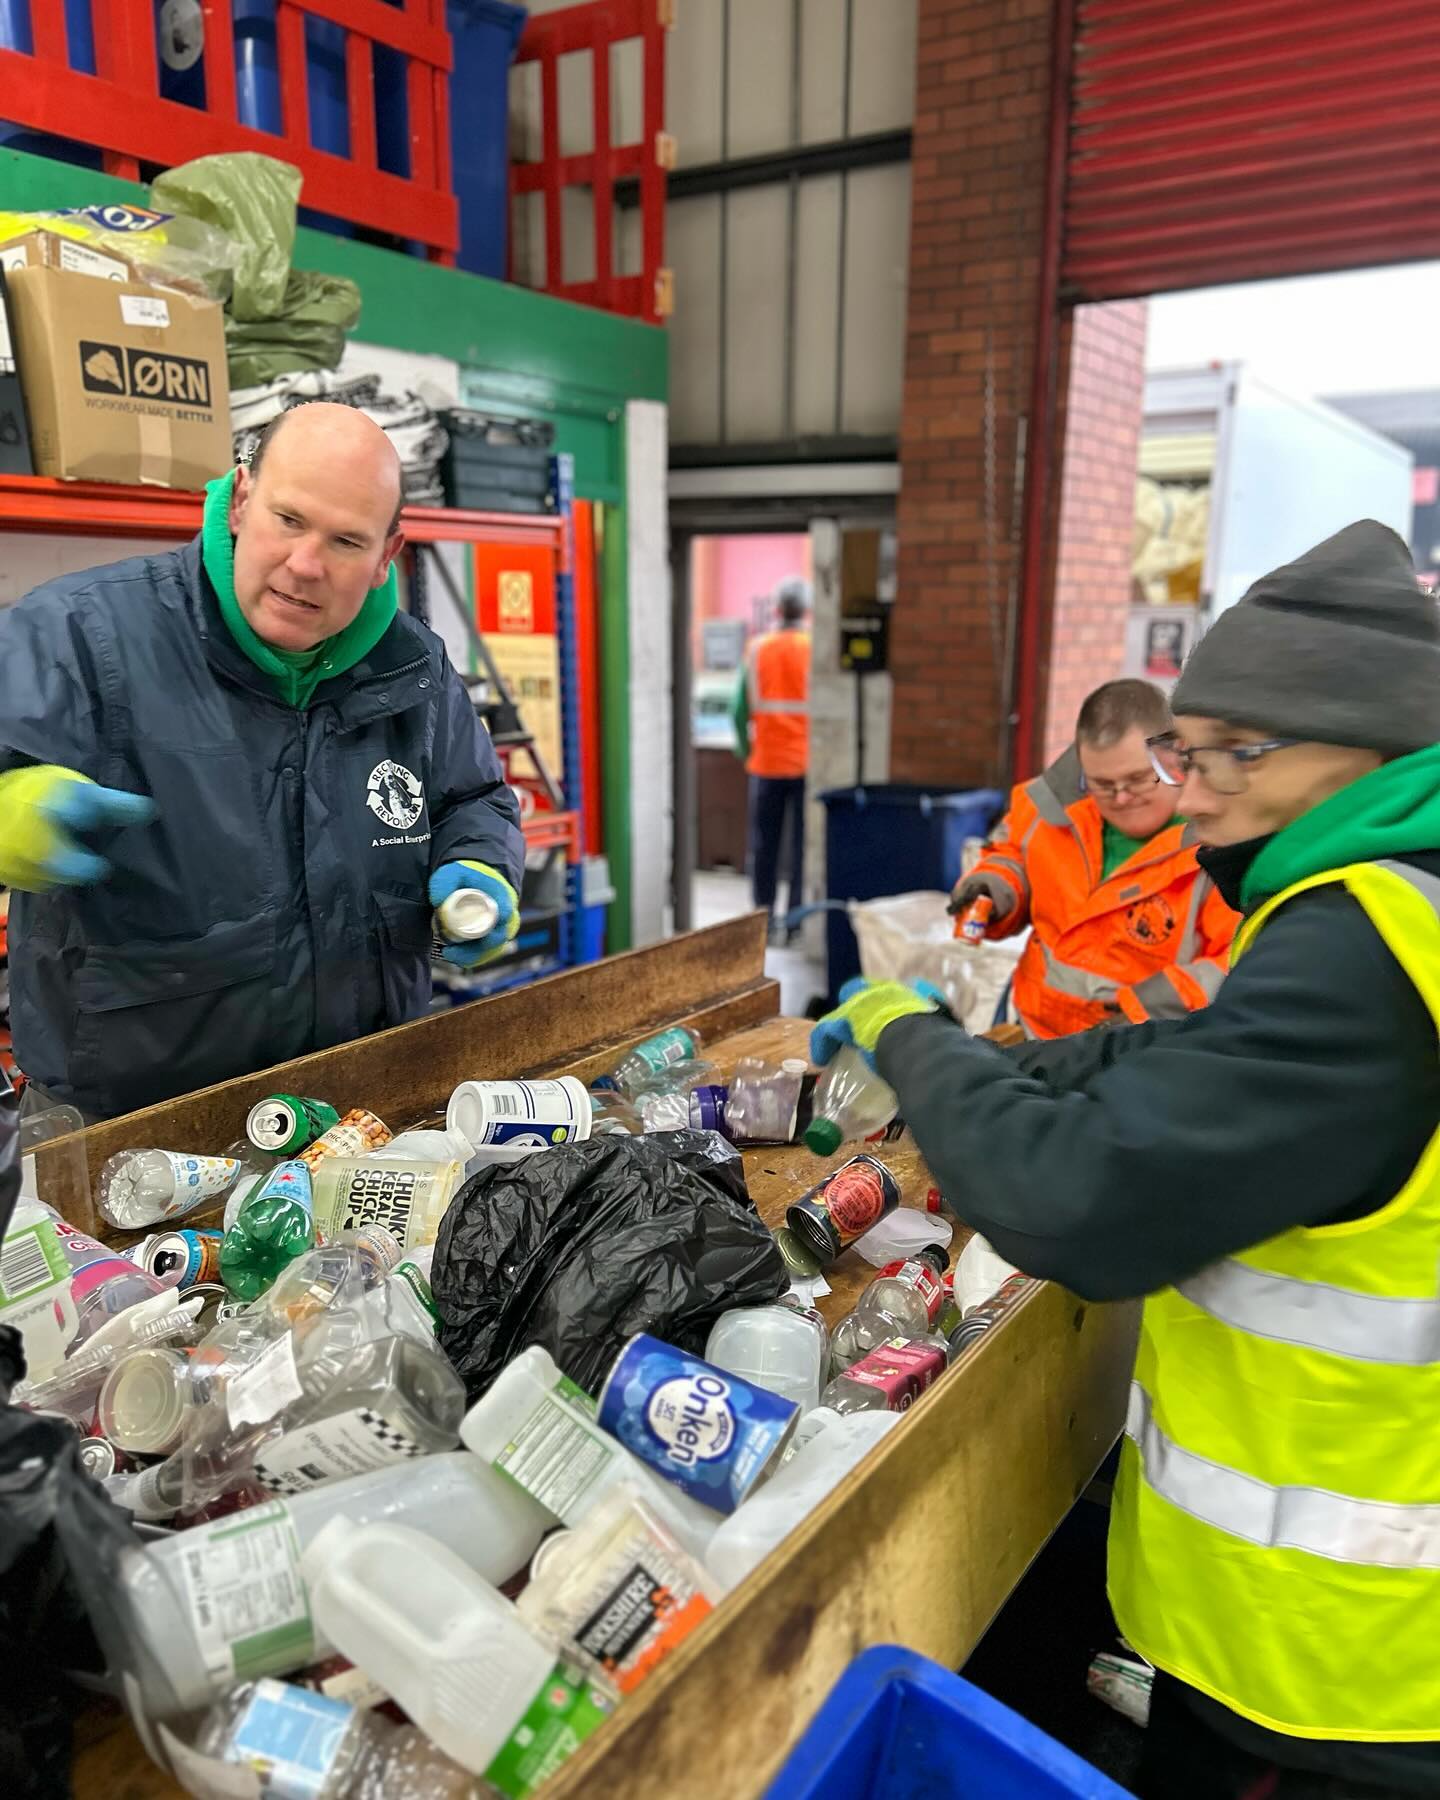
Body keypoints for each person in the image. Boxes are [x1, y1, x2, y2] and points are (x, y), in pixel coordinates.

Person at [813, 519, 1440, 1798]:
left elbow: (1071, 1197)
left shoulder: (1366, 949)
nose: (1192, 787)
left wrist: (919, 1044)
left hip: (1337, 1666)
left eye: (1226, 755)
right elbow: (1192, 1068)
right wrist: (988, 1066)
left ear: (1367, 749)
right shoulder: (1378, 898)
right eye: (1181, 752)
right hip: (1305, 1635)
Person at [0, 403, 523, 1122]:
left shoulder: (414, 668)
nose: (305, 566)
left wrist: (482, 864)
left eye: (345, 540)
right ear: (242, 500)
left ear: (386, 556)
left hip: (358, 1107)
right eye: (289, 520)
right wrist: (14, 812)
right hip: (128, 1126)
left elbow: (474, 798)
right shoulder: (84, 635)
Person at [951, 678, 1238, 1037]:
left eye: (1136, 780)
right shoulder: (1048, 809)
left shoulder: (1224, 847)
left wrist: (1148, 1007)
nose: (1120, 798)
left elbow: (1240, 961)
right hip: (1032, 1029)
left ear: (1174, 756)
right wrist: (995, 888)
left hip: (1141, 1050)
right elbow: (1012, 857)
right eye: (1103, 784)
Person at [733, 577, 811, 937]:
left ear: (777, 609)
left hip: (766, 764)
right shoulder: (814, 647)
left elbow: (738, 710)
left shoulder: (757, 648)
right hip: (807, 765)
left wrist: (748, 752)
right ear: (807, 611)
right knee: (800, 850)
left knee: (764, 846)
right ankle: (795, 924)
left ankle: (763, 921)